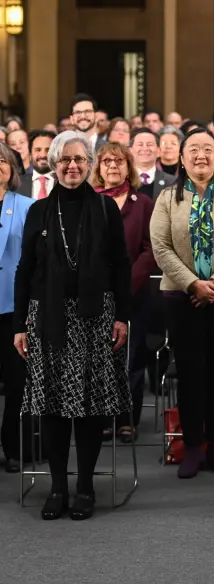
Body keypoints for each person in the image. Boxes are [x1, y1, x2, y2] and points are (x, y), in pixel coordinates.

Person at [13, 131, 131, 521]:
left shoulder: (106, 209)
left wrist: (122, 317)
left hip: (96, 316)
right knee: (53, 406)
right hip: (47, 318)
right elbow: (25, 270)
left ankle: (84, 487)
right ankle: (58, 487)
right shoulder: (38, 211)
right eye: (65, 159)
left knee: (91, 406)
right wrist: (19, 325)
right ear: (53, 162)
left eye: (80, 159)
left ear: (90, 163)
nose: (72, 166)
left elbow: (121, 266)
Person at [150, 128, 214, 479]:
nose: (201, 155)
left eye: (208, 149)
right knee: (189, 373)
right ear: (182, 156)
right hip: (180, 298)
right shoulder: (166, 198)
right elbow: (160, 247)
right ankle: (192, 446)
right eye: (193, 149)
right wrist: (193, 284)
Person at [89, 141, 156, 442]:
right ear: (99, 168)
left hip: (134, 294)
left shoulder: (143, 204)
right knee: (99, 357)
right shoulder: (87, 201)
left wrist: (126, 285)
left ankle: (127, 419)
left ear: (129, 167)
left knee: (131, 357)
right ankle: (103, 419)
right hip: (94, 293)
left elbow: (151, 248)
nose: (113, 166)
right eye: (107, 162)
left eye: (119, 161)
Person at [0, 143, 34, 473]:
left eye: (1, 160)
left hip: (13, 308)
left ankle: (14, 447)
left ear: (12, 169)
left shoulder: (26, 206)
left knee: (16, 383)